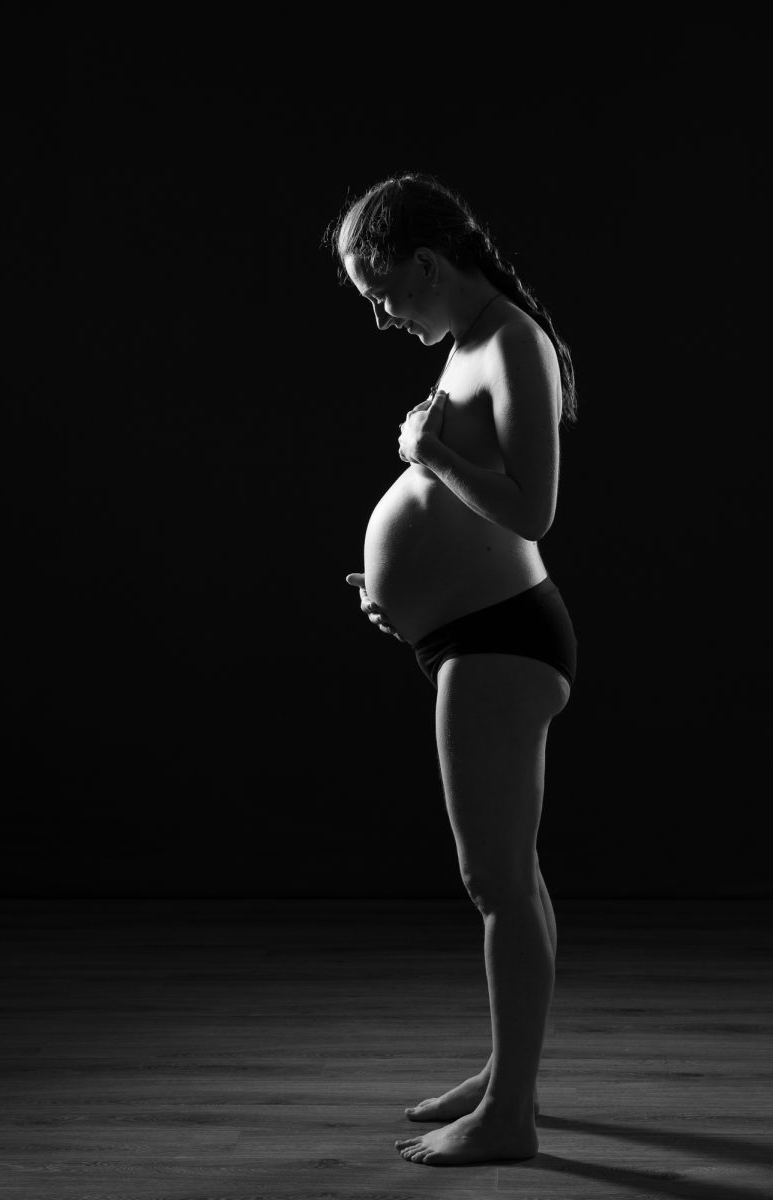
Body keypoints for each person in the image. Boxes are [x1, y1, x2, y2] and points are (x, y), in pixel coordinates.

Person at [326, 172, 579, 1167]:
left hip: (503, 638)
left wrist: (429, 457)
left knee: (493, 883)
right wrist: (396, 586)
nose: (383, 317)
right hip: (470, 634)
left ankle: (508, 1116)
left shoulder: (511, 341)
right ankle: (506, 1069)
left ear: (430, 262)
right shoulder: (475, 343)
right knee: (514, 877)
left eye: (385, 292)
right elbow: (463, 514)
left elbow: (531, 510)